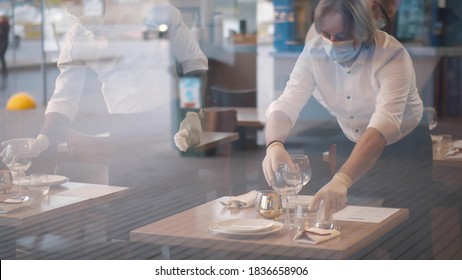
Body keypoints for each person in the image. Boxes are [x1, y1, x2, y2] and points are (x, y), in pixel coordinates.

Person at [1, 0, 208, 240]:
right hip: (124, 137)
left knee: (188, 232)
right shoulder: (76, 37)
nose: (74, 10)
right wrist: (43, 139)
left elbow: (194, 62)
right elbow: (64, 99)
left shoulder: (157, 11)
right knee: (129, 236)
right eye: (68, 6)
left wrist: (192, 113)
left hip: (173, 129)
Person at [262, 0, 432, 258]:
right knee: (345, 235)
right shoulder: (314, 51)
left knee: (410, 240)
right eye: (326, 34)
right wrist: (274, 144)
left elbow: (381, 127)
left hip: (405, 149)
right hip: (352, 144)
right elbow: (286, 104)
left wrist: (342, 179)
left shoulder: (392, 55)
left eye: (341, 35)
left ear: (363, 28)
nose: (332, 42)